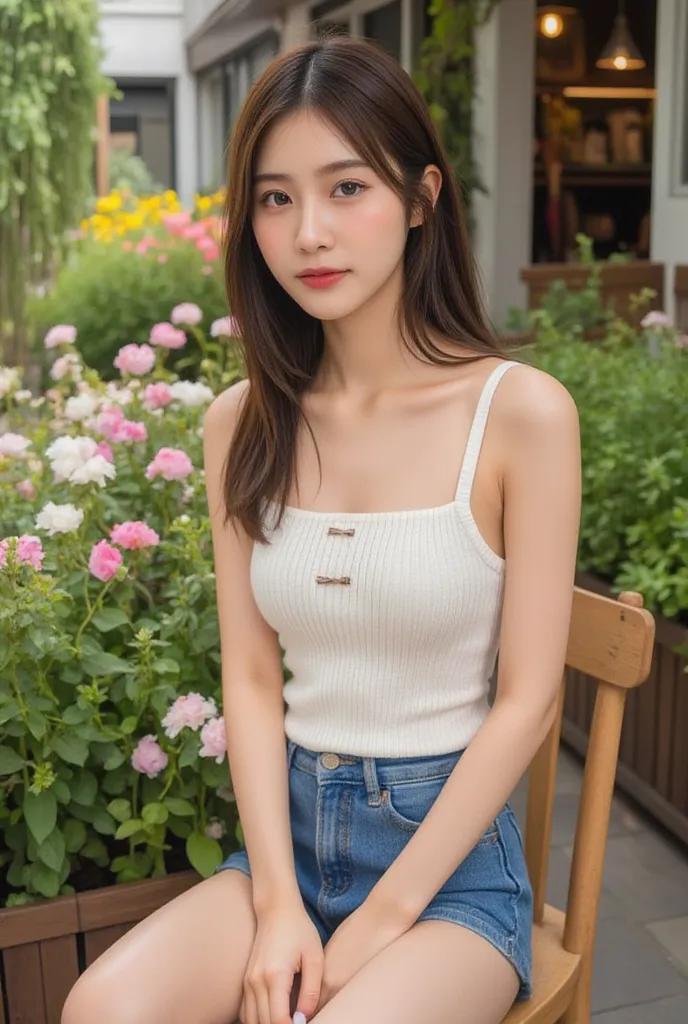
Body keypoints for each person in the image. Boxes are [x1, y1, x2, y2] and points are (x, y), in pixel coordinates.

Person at [62, 34, 581, 1024]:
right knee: (102, 1009)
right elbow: (252, 681)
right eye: (275, 197)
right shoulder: (240, 422)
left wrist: (380, 917)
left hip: (446, 875)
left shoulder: (519, 414)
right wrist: (274, 906)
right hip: (286, 843)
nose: (308, 233)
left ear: (422, 197)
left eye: (346, 188)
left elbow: (528, 699)